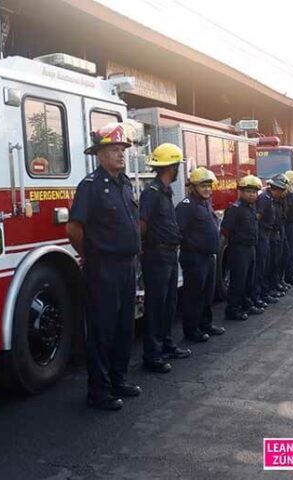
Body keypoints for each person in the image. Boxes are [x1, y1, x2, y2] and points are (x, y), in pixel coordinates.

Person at [67, 122, 142, 411]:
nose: (121, 154)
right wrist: (92, 254)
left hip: (126, 267)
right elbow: (74, 229)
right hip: (103, 269)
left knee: (124, 327)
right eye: (114, 149)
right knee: (102, 330)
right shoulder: (91, 186)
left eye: (123, 149)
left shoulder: (124, 185)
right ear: (100, 154)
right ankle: (99, 391)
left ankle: (118, 380)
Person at [140, 143, 191, 374]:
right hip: (156, 255)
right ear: (171, 167)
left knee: (169, 303)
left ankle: (167, 345)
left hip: (169, 254)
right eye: (177, 165)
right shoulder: (151, 193)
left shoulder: (165, 191)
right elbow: (142, 226)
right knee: (156, 306)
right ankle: (152, 355)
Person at [176, 167, 225, 343]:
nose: (207, 189)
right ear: (193, 187)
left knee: (207, 294)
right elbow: (178, 231)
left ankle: (205, 324)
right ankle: (192, 331)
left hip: (207, 257)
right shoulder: (186, 206)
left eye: (209, 186)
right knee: (193, 295)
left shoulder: (205, 203)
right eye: (203, 186)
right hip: (194, 258)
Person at [222, 175, 263, 321]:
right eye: (248, 191)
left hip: (250, 247)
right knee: (238, 280)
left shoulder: (251, 208)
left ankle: (247, 304)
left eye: (254, 192)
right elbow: (226, 229)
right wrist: (237, 241)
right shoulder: (235, 209)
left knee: (249, 279)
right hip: (239, 249)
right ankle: (233, 309)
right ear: (241, 192)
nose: (252, 194)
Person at [253, 174, 289, 306]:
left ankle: (266, 291)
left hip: (270, 233)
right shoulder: (265, 199)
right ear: (278, 189)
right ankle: (260, 295)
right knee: (262, 267)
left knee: (271, 263)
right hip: (263, 234)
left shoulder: (273, 199)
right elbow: (257, 217)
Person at [267, 174, 290, 299]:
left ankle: (274, 286)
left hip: (276, 233)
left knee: (276, 261)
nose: (284, 193)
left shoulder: (277, 200)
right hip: (267, 235)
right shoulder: (266, 199)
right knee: (266, 266)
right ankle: (267, 291)